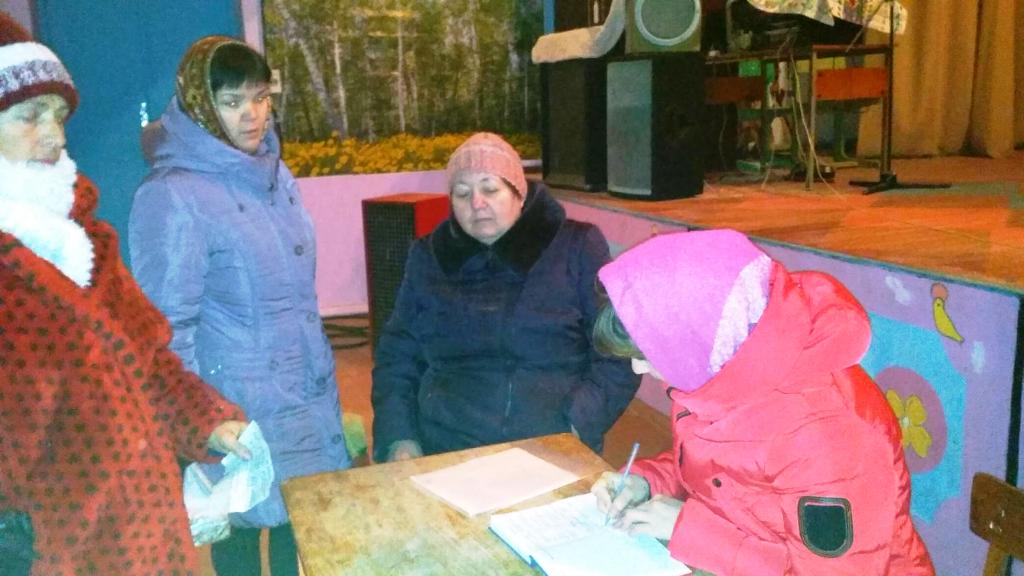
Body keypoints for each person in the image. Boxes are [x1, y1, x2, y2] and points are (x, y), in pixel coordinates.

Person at [0, 13, 250, 575]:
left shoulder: (85, 239)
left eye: (58, 115)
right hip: (55, 552)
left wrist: (206, 420)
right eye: (30, 116)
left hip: (146, 531)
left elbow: (148, 361)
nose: (56, 136)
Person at [589, 229, 935, 575]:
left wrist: (689, 529)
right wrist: (647, 482)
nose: (637, 368)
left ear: (694, 338)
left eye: (645, 354)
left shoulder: (826, 436)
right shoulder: (719, 366)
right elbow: (720, 471)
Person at [129, 36, 350, 576]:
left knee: (307, 525)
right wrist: (194, 418)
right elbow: (163, 329)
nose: (252, 115)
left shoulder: (275, 173)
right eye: (232, 102)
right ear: (201, 105)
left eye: (260, 97)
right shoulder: (172, 194)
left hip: (304, 383)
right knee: (244, 532)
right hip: (234, 403)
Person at [371, 132, 640, 462]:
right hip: (448, 442)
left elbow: (618, 350)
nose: (477, 203)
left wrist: (578, 421)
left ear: (519, 193)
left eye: (490, 189)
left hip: (553, 442)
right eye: (462, 193)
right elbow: (397, 356)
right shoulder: (429, 257)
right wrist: (399, 437)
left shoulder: (577, 247)